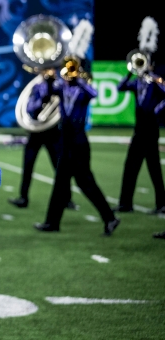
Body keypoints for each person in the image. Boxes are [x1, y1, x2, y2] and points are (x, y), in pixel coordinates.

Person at [31, 69, 120, 235]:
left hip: (78, 142)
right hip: (66, 141)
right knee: (60, 182)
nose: (68, 75)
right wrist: (49, 79)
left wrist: (79, 80)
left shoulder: (82, 89)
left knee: (85, 183)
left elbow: (94, 94)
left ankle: (110, 218)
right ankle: (52, 222)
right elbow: (47, 95)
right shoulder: (62, 89)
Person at [9, 69, 77, 210]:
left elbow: (64, 99)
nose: (47, 71)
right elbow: (30, 105)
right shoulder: (36, 85)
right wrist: (39, 104)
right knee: (28, 165)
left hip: (52, 131)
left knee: (59, 166)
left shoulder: (59, 84)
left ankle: (67, 199)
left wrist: (51, 84)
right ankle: (23, 197)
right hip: (36, 130)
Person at [114, 69, 165, 214]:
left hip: (151, 128)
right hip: (139, 128)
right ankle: (125, 203)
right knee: (131, 166)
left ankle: (162, 204)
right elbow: (120, 87)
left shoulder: (155, 82)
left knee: (154, 168)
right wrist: (130, 72)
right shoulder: (137, 82)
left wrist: (157, 110)